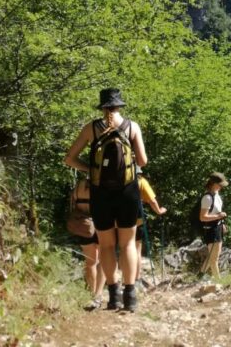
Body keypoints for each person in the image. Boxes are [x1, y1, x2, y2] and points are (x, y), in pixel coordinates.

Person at [64, 88, 147, 312]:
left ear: (102, 107)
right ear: (119, 105)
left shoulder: (91, 128)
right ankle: (130, 296)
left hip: (100, 194)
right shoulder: (132, 126)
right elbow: (143, 160)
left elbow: (69, 159)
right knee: (128, 243)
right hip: (128, 192)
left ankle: (113, 296)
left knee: (107, 245)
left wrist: (91, 170)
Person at [70, 178, 106, 310]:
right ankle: (98, 294)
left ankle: (91, 293)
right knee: (103, 260)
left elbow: (73, 202)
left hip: (83, 224)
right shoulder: (103, 184)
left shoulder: (78, 185)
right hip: (101, 223)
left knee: (90, 262)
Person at [135, 168, 167, 288]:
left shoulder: (118, 179)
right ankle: (136, 279)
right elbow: (152, 200)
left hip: (117, 219)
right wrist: (159, 211)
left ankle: (126, 278)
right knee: (136, 249)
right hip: (135, 218)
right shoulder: (141, 181)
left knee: (124, 248)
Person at [198, 172, 229, 278]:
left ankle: (200, 275)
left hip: (218, 227)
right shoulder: (207, 198)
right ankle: (218, 281)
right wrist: (219, 217)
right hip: (211, 229)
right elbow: (202, 217)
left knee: (214, 255)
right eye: (220, 184)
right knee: (214, 258)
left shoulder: (217, 195)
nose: (221, 186)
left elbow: (217, 211)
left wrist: (222, 223)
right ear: (213, 183)